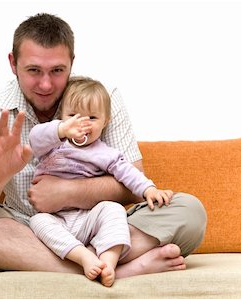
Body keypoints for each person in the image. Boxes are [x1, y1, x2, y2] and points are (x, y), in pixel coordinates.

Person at [0, 13, 207, 279]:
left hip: (95, 223)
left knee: (189, 212)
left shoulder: (100, 99)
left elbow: (131, 185)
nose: (46, 84)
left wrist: (68, 192)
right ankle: (111, 269)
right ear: (13, 63)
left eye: (58, 70)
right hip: (26, 227)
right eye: (33, 70)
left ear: (72, 62)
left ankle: (23, 260)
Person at [28, 77, 174, 287]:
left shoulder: (105, 153)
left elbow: (127, 172)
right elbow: (35, 138)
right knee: (37, 222)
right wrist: (61, 130)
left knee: (113, 209)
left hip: (88, 218)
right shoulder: (52, 145)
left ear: (105, 122)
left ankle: (108, 261)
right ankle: (84, 257)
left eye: (92, 117)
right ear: (61, 118)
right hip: (56, 218)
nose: (82, 124)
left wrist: (149, 189)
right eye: (73, 116)